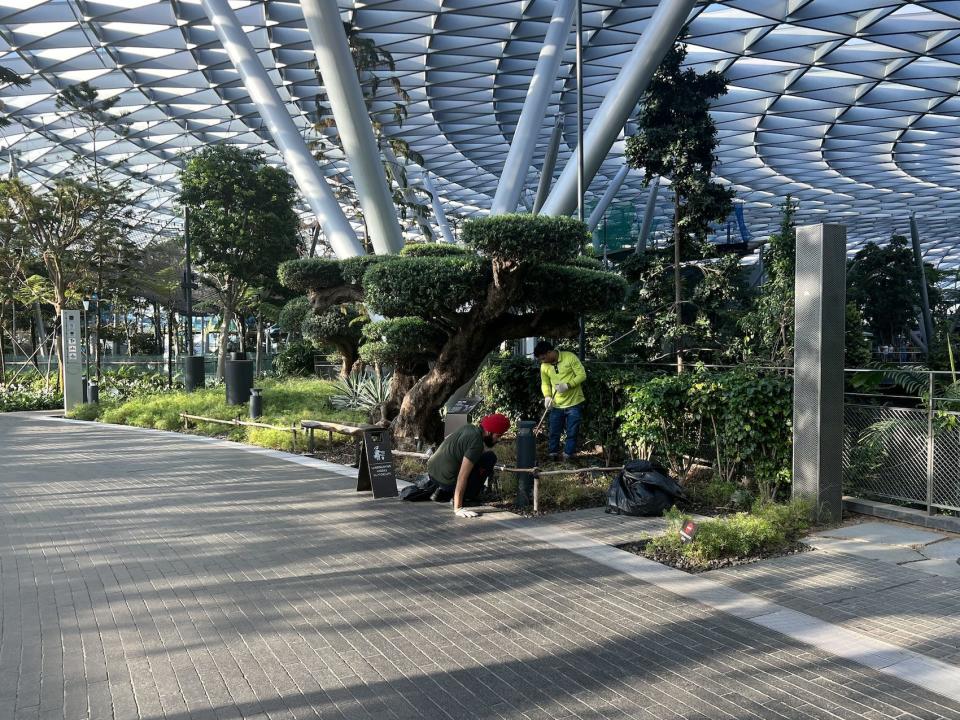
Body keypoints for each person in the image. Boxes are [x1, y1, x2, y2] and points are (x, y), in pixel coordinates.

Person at [426, 413, 510, 518]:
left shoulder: (468, 427)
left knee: (481, 458)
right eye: (498, 436)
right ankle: (465, 497)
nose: (499, 440)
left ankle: (443, 491)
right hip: (446, 481)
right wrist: (458, 508)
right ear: (488, 431)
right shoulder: (476, 444)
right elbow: (462, 476)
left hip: (432, 473)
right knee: (489, 458)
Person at [534, 340, 586, 461]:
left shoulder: (569, 357)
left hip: (574, 403)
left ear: (550, 352)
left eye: (543, 358)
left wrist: (568, 385)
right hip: (556, 404)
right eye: (540, 359)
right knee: (554, 431)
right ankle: (553, 455)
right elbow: (545, 383)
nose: (542, 361)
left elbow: (582, 375)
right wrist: (547, 396)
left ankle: (568, 456)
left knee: (572, 432)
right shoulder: (544, 366)